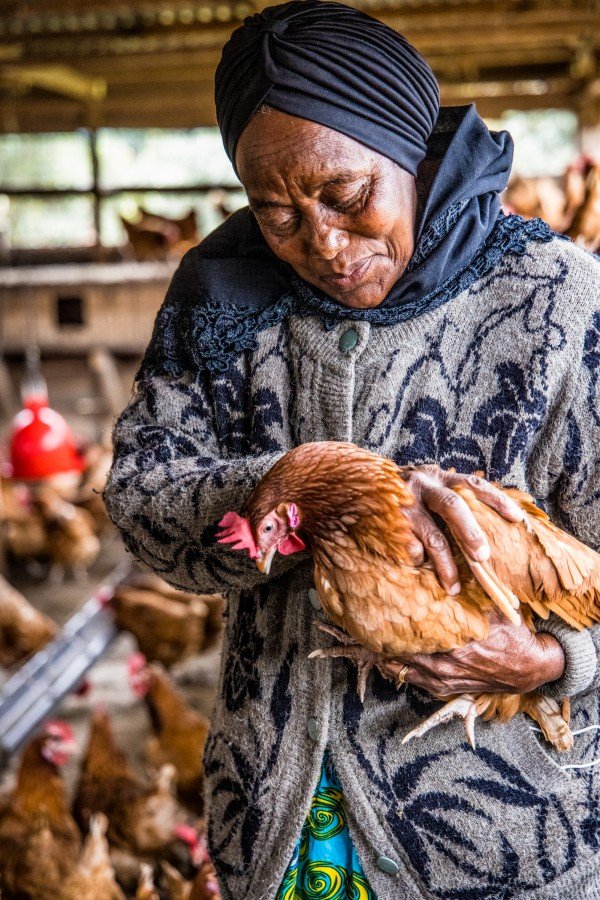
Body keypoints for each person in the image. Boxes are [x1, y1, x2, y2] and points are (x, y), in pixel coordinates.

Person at [104, 2, 600, 897]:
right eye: (277, 215)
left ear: (407, 149)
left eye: (346, 196)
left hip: (502, 839)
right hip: (278, 818)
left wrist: (556, 662)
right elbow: (141, 500)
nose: (324, 246)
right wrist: (290, 495)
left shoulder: (558, 302)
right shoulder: (217, 293)